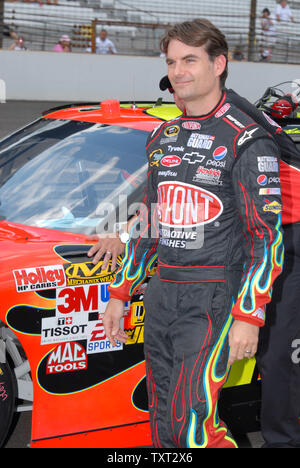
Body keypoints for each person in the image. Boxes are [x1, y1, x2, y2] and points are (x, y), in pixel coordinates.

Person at [100, 18, 284, 448]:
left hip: (215, 297)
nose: (178, 71)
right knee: (164, 415)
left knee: (190, 423)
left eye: (190, 60)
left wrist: (248, 317)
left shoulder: (249, 141)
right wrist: (120, 292)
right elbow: (149, 223)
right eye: (171, 61)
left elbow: (267, 238)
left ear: (219, 64)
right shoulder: (164, 136)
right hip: (164, 293)